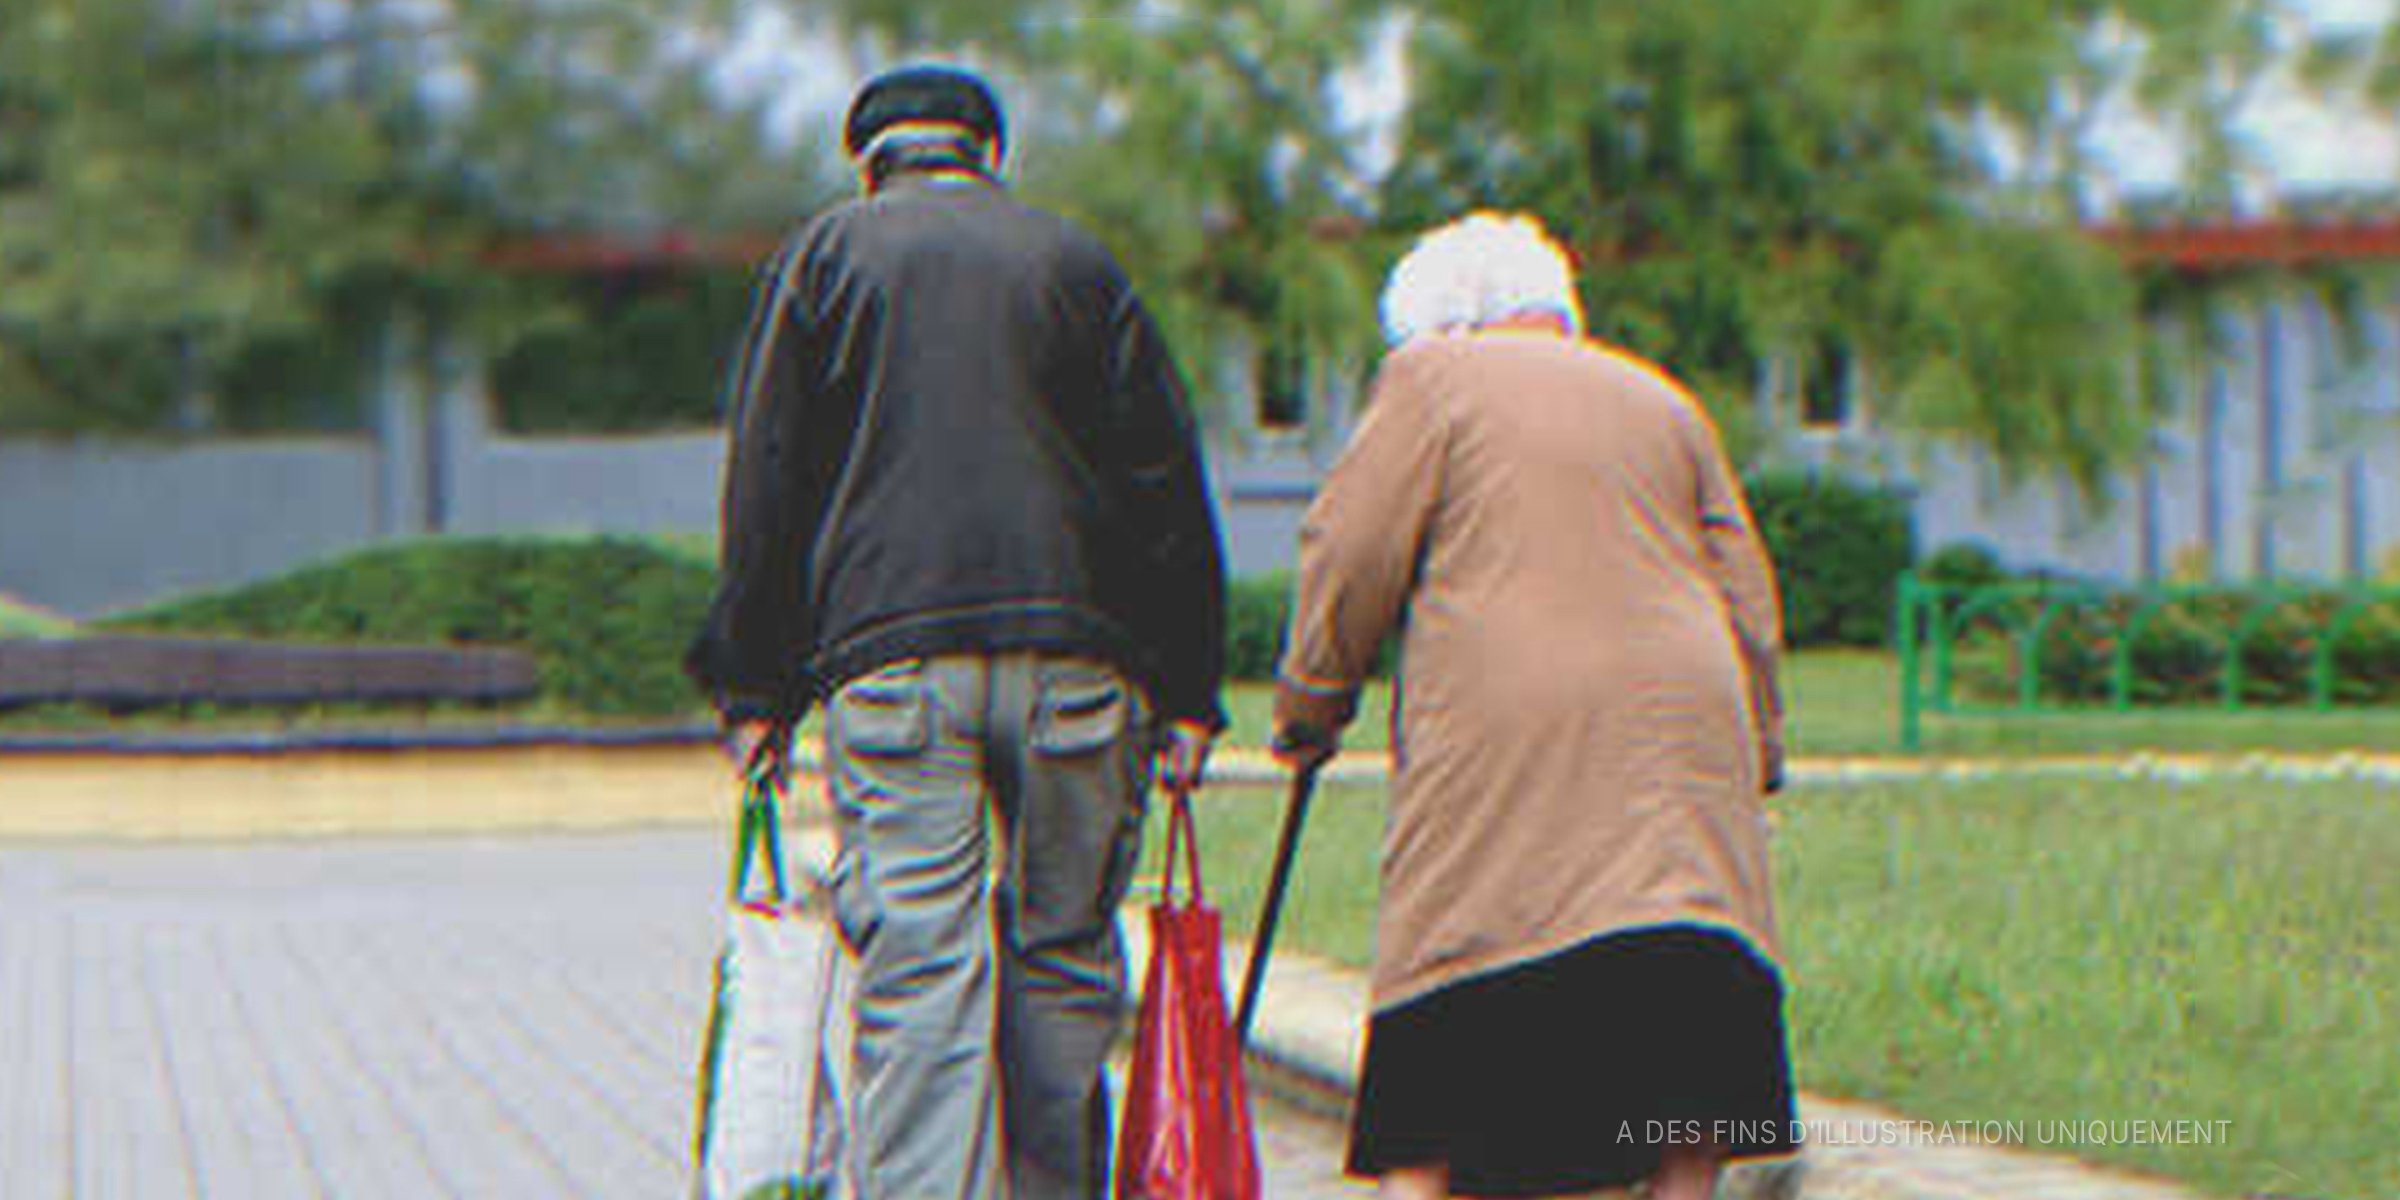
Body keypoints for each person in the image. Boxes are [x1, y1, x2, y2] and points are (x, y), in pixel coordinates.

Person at [684, 64, 1228, 1200]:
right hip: (1082, 660)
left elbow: (772, 482)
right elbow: (1163, 479)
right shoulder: (1075, 262)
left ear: (867, 159)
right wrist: (1185, 690)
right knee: (1061, 957)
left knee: (925, 973)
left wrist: (754, 688)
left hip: (895, 661)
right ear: (989, 151)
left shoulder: (826, 258)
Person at [1271, 212, 1797, 1200]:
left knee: (1458, 987)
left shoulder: (1432, 380)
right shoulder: (1662, 398)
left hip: (1509, 729)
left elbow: (1352, 553)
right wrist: (1758, 745)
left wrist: (1312, 704)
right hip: (1680, 729)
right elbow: (1747, 594)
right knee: (1684, 1021)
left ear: (1435, 321)